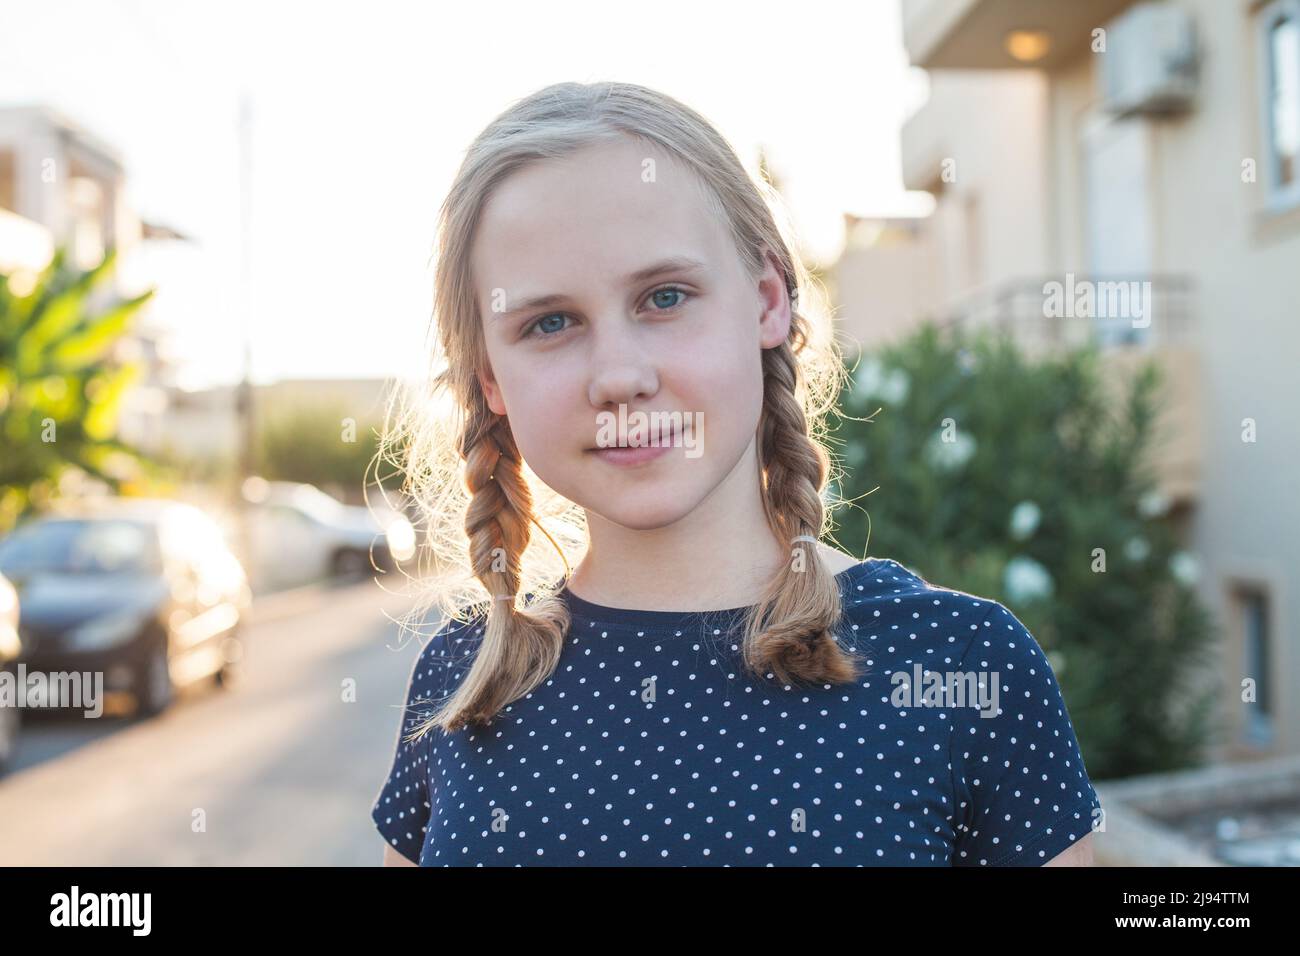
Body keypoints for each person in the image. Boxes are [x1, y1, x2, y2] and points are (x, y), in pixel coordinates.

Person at [369, 80, 1100, 867]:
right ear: (489, 379)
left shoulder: (958, 664)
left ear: (767, 301)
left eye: (664, 297)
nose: (618, 375)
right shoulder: (462, 681)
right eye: (550, 322)